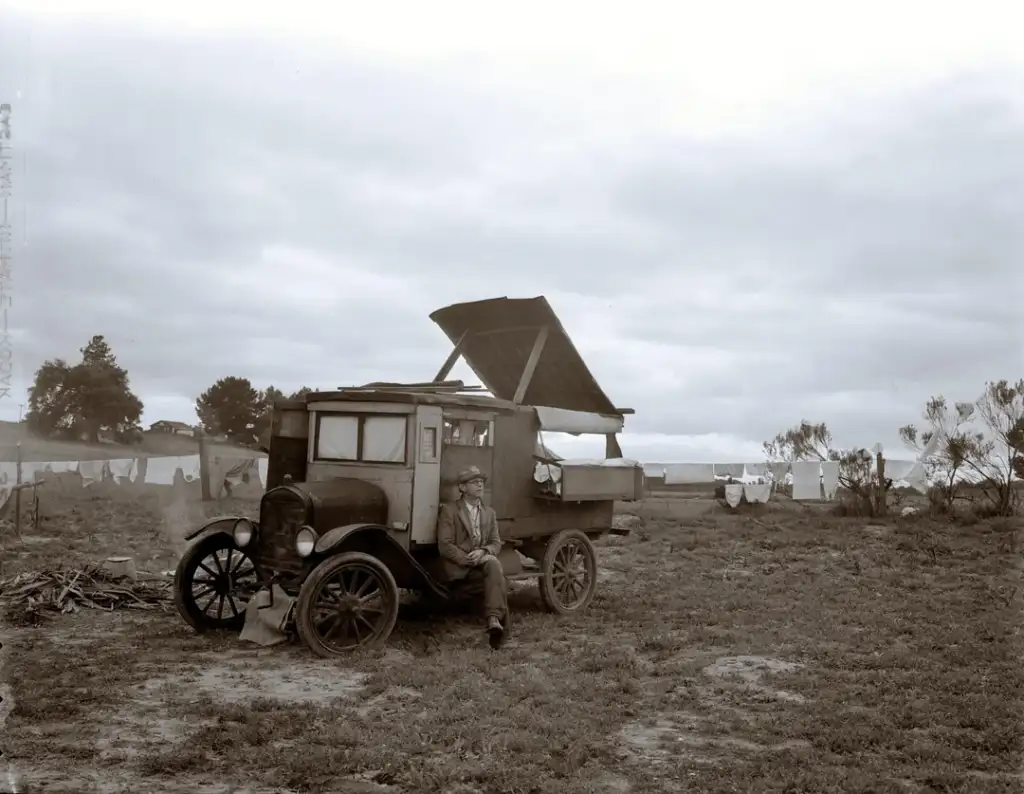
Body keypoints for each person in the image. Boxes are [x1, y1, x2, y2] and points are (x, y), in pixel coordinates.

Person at [436, 465, 509, 648]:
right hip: (458, 569)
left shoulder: (489, 513)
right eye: (474, 482)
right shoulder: (450, 510)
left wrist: (483, 551)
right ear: (462, 488)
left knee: (493, 566)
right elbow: (445, 545)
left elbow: (496, 543)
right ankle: (498, 630)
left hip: (480, 563)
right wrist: (467, 558)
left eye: (482, 482)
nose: (480, 485)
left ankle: (494, 621)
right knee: (499, 581)